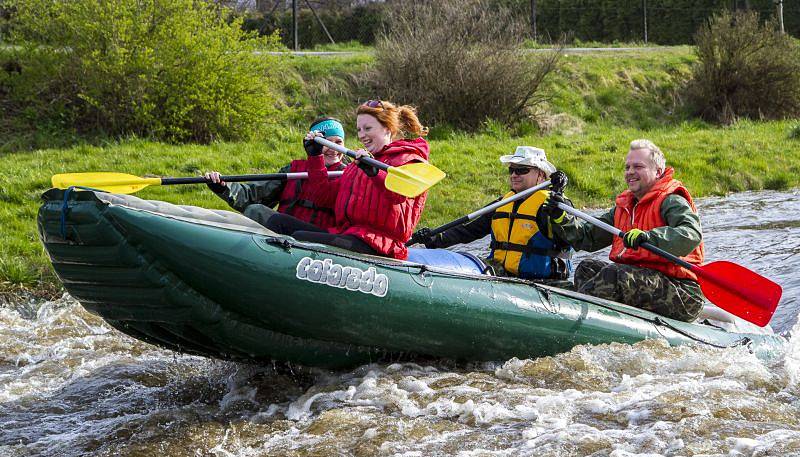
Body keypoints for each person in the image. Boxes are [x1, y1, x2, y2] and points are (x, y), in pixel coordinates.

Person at [541, 139, 705, 322]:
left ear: (658, 172)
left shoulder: (672, 200)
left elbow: (691, 233)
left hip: (682, 292)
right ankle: (595, 322)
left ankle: (569, 319)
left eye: (638, 166)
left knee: (615, 276)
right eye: (627, 167)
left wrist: (648, 237)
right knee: (587, 268)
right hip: (641, 280)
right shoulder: (623, 208)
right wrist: (560, 218)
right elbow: (586, 237)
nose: (630, 172)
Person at [263, 100, 431, 259]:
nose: (362, 135)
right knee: (279, 222)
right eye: (359, 130)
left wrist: (374, 173)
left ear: (387, 129)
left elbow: (398, 196)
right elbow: (324, 196)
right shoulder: (359, 163)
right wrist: (315, 157)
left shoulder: (410, 160)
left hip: (379, 244)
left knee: (300, 238)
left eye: (368, 128)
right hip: (348, 234)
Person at [411, 146, 573, 284]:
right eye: (512, 169)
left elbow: (572, 236)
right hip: (502, 274)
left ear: (541, 175)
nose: (514, 175)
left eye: (522, 170)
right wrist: (435, 239)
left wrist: (558, 195)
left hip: (543, 281)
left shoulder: (554, 205)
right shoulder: (502, 203)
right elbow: (469, 230)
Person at [204, 117, 347, 228]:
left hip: (321, 243)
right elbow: (253, 196)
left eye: (338, 142)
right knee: (256, 210)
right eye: (327, 143)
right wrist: (223, 186)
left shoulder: (349, 174)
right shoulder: (293, 170)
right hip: (282, 233)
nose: (333, 149)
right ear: (314, 144)